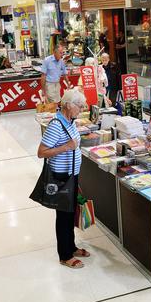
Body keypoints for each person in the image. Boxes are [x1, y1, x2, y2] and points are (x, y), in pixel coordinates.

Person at [37, 90, 90, 269]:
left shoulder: (70, 121)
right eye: (79, 106)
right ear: (68, 105)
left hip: (71, 175)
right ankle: (64, 255)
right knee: (63, 216)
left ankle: (72, 246)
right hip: (60, 178)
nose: (81, 109)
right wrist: (67, 146)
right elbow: (41, 152)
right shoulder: (56, 125)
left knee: (70, 214)